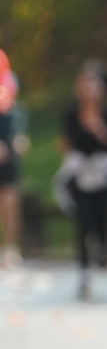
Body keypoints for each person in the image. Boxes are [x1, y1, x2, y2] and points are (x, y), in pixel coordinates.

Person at [55, 60, 107, 299]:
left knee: (104, 221)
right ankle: (84, 275)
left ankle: (105, 257)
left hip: (104, 176)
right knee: (83, 224)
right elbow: (70, 143)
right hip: (80, 176)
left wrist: (99, 130)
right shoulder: (71, 114)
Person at [0, 50, 29, 268]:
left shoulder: (15, 113)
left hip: (8, 166)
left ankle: (10, 249)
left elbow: (20, 135)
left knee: (11, 206)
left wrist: (20, 143)